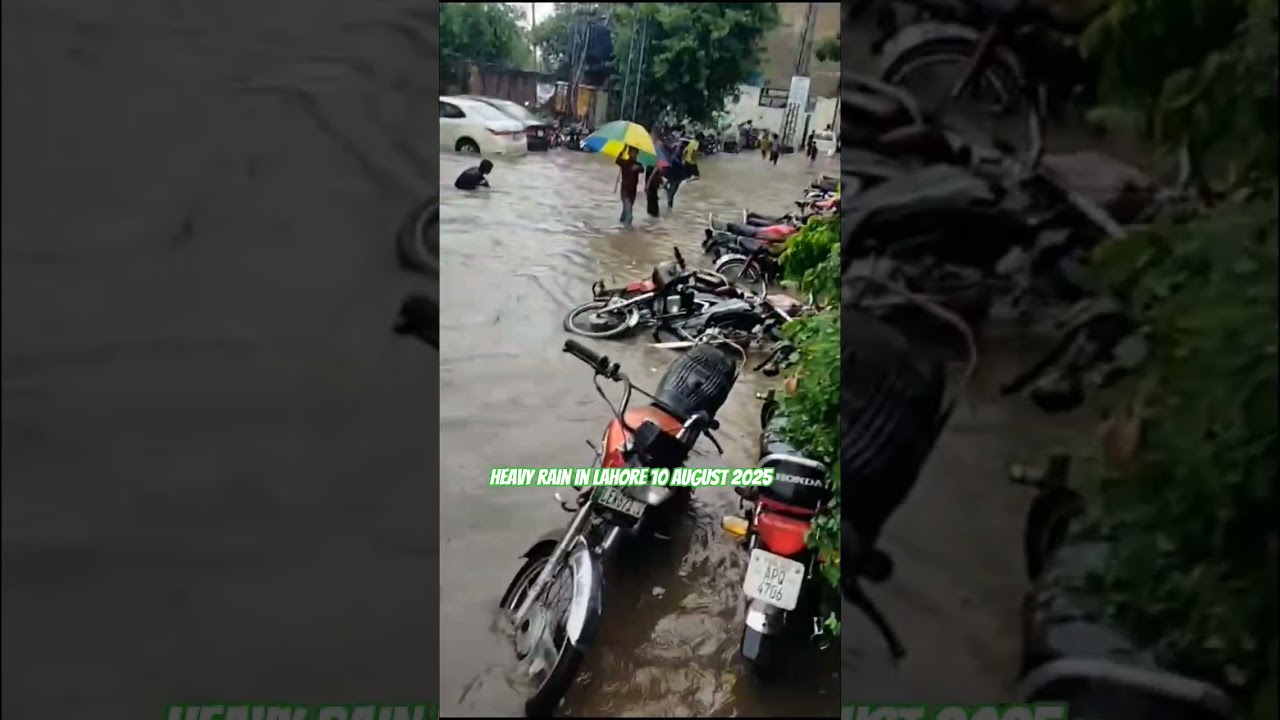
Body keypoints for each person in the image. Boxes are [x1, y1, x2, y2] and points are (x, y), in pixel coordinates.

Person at [615, 147, 643, 227]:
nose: (634, 154)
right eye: (632, 152)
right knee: (629, 215)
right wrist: (623, 149)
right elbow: (617, 160)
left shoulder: (638, 164)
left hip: (633, 191)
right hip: (625, 191)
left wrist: (638, 167)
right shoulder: (624, 163)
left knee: (626, 211)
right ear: (629, 153)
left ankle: (620, 225)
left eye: (635, 153)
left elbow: (642, 169)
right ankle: (627, 233)